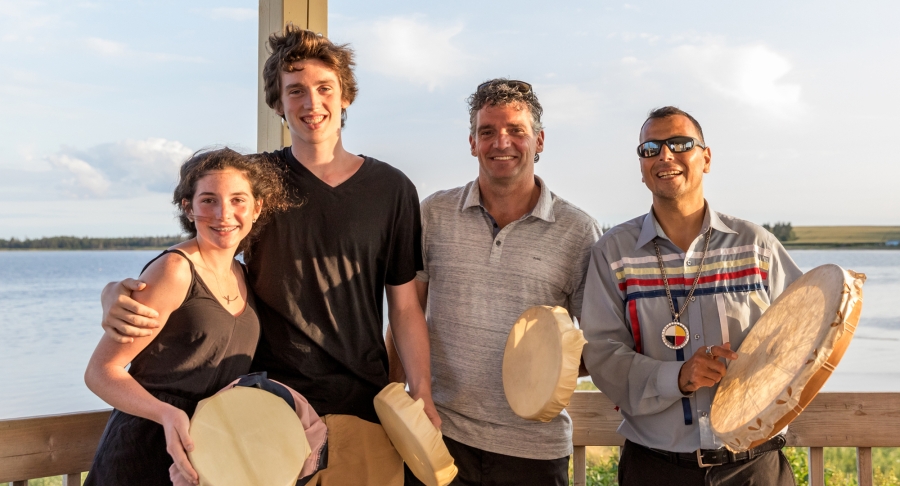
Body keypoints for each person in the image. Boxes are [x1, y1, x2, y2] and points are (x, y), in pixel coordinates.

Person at [98, 27, 435, 485]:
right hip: (267, 410)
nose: (311, 103)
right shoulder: (255, 183)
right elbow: (199, 256)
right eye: (295, 91)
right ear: (278, 104)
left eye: (324, 89)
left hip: (363, 407)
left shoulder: (392, 189)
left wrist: (423, 393)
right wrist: (113, 292)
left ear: (346, 97)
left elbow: (405, 306)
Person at [388, 79, 601, 486]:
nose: (501, 142)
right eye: (488, 132)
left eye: (516, 131)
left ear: (539, 140)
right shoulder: (433, 214)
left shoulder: (578, 231)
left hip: (534, 452)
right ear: (472, 142)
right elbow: (404, 313)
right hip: (439, 433)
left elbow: (600, 341)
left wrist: (543, 369)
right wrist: (397, 401)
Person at [580, 106, 802, 485]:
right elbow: (601, 355)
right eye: (650, 148)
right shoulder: (614, 253)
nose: (664, 156)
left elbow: (804, 333)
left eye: (679, 144)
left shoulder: (756, 246)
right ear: (642, 166)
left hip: (753, 466)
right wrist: (677, 376)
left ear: (707, 158)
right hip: (655, 468)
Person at [84, 148, 288, 486]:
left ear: (257, 207)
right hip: (144, 451)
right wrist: (165, 413)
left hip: (207, 458)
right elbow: (100, 371)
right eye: (209, 200)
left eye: (238, 199)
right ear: (188, 208)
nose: (224, 213)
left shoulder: (244, 274)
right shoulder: (175, 270)